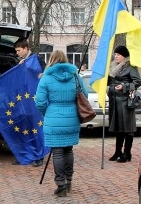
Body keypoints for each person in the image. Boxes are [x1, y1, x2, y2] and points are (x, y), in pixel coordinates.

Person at [35, 50, 88, 197]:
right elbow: (85, 95)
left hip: (53, 117)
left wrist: (46, 112)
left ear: (51, 59)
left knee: (57, 152)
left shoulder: (46, 77)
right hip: (72, 117)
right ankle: (69, 181)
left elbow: (39, 101)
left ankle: (61, 184)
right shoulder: (75, 75)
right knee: (68, 150)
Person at [12, 38, 46, 167]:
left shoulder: (37, 59)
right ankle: (26, 154)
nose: (17, 53)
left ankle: (39, 156)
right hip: (24, 101)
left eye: (19, 50)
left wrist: (28, 65)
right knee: (25, 128)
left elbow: (43, 74)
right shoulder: (21, 61)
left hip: (35, 100)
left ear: (26, 48)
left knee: (37, 128)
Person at [107, 45, 141, 163]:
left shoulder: (130, 66)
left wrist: (124, 86)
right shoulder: (113, 66)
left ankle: (127, 153)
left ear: (124, 56)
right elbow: (109, 81)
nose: (115, 56)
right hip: (114, 101)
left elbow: (137, 81)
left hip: (126, 101)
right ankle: (118, 152)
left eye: (118, 55)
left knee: (127, 128)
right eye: (115, 54)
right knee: (118, 128)